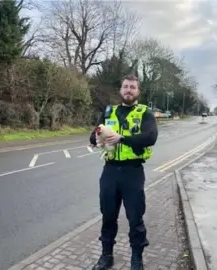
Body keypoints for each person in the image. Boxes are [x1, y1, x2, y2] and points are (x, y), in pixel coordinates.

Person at [89, 74, 158, 270]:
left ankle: (136, 259)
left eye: (132, 87)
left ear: (138, 91)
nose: (128, 90)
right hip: (110, 171)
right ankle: (106, 256)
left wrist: (122, 139)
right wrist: (95, 140)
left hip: (132, 172)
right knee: (108, 215)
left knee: (135, 218)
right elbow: (94, 133)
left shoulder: (145, 113)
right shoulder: (109, 112)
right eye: (125, 86)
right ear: (120, 90)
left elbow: (150, 137)